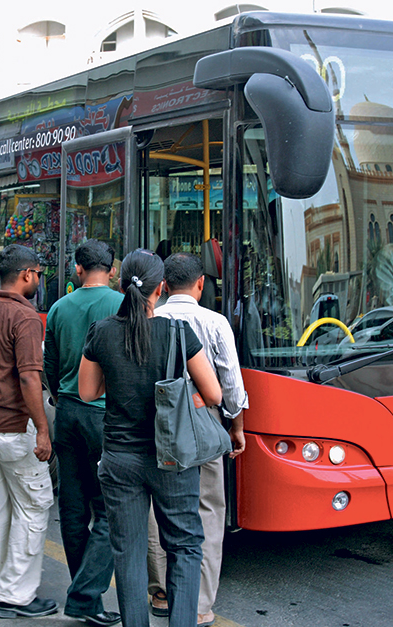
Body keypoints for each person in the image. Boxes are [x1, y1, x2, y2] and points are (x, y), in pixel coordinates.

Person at [78, 249, 222, 627]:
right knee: (186, 547)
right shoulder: (177, 333)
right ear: (161, 288)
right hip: (171, 457)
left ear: (121, 284)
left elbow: (88, 392)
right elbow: (215, 395)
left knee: (127, 551)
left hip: (120, 459)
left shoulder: (102, 331)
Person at [148, 253, 248, 626]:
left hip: (156, 422)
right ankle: (201, 602)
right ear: (201, 283)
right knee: (206, 507)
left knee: (157, 508)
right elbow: (230, 383)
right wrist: (236, 428)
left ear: (163, 286)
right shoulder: (214, 321)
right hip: (203, 422)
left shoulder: (152, 317)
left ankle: (161, 592)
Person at [0, 244, 57, 619]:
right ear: (26, 275)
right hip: (16, 427)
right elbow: (30, 378)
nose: (38, 280)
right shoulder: (26, 317)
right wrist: (43, 430)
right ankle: (16, 594)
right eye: (37, 273)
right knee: (34, 505)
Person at [44, 240, 123, 627]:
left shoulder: (59, 307)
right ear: (111, 269)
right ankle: (86, 595)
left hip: (68, 413)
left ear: (78, 269)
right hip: (105, 417)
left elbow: (49, 365)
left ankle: (82, 590)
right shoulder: (122, 305)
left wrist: (63, 395)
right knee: (112, 510)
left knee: (72, 508)